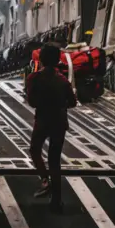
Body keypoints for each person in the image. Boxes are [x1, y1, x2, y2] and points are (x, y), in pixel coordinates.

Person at [25, 44, 77, 213]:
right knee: (55, 160)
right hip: (59, 121)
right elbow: (73, 102)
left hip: (43, 120)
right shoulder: (62, 80)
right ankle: (57, 200)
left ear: (41, 59)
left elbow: (31, 101)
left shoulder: (34, 78)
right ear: (57, 60)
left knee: (34, 149)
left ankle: (44, 179)